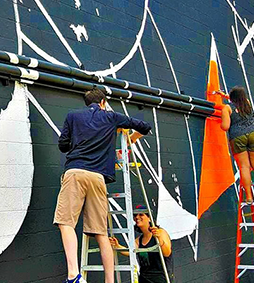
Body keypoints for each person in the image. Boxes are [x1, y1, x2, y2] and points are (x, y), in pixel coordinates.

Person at [55, 88, 152, 283]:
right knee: (101, 233)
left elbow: (63, 145)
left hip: (75, 172)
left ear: (87, 103)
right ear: (102, 102)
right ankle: (110, 281)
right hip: (98, 178)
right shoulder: (112, 117)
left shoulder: (73, 116)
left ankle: (74, 275)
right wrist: (129, 141)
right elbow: (145, 126)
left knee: (65, 222)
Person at [215, 86, 254, 203]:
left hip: (237, 136)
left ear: (231, 98)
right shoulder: (247, 104)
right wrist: (225, 96)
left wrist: (220, 122)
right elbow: (239, 100)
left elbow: (225, 126)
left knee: (244, 167)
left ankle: (249, 197)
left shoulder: (226, 109)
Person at [109, 207, 174, 282]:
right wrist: (117, 246)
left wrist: (159, 238)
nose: (137, 217)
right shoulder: (138, 240)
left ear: (149, 218)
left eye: (141, 215)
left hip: (161, 278)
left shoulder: (161, 232)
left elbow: (167, 253)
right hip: (144, 279)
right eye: (135, 215)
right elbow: (129, 252)